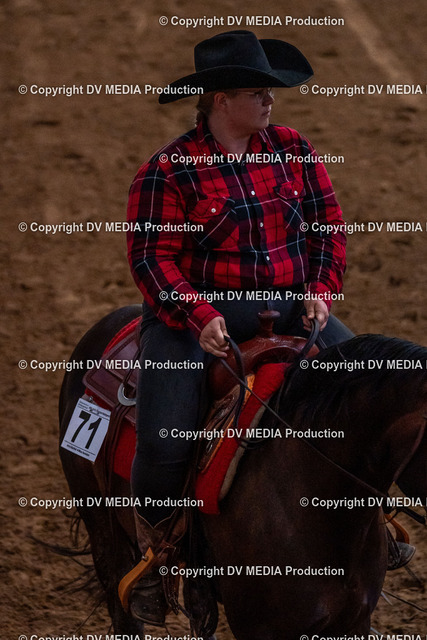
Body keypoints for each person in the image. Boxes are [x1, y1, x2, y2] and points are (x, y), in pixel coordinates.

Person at [124, 30, 412, 625]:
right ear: (221, 100)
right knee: (165, 436)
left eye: (271, 91)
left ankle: (372, 522)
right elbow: (152, 259)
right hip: (194, 317)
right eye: (258, 92)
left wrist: (320, 293)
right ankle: (158, 552)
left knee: (364, 388)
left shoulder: (292, 149)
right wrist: (198, 316)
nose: (270, 101)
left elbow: (328, 230)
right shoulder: (167, 171)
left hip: (288, 305)